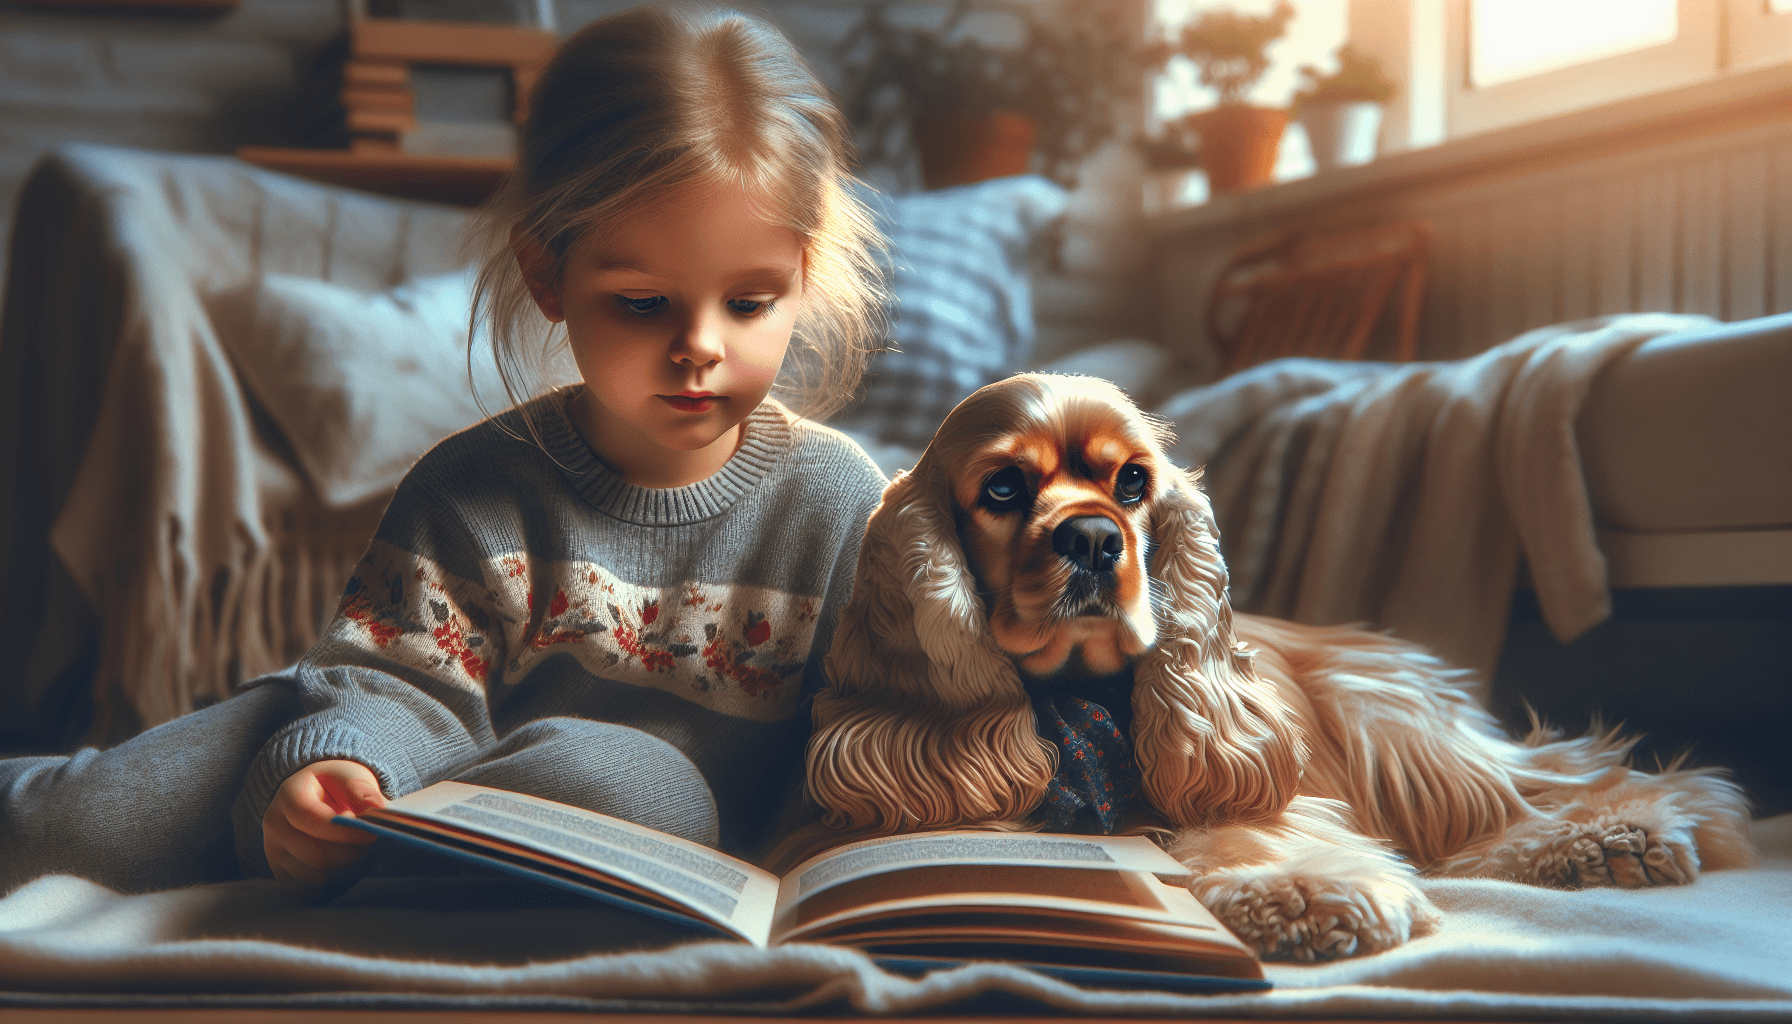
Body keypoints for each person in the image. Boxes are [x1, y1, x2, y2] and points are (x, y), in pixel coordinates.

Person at [0, 3, 890, 900]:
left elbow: (879, 731)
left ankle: (390, 876)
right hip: (377, 755)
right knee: (62, 830)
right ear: (548, 276)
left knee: (629, 785)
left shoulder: (840, 501)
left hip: (630, 829)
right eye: (644, 303)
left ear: (802, 279)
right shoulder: (477, 486)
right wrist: (341, 770)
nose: (700, 346)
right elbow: (395, 683)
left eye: (748, 303)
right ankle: (356, 855)